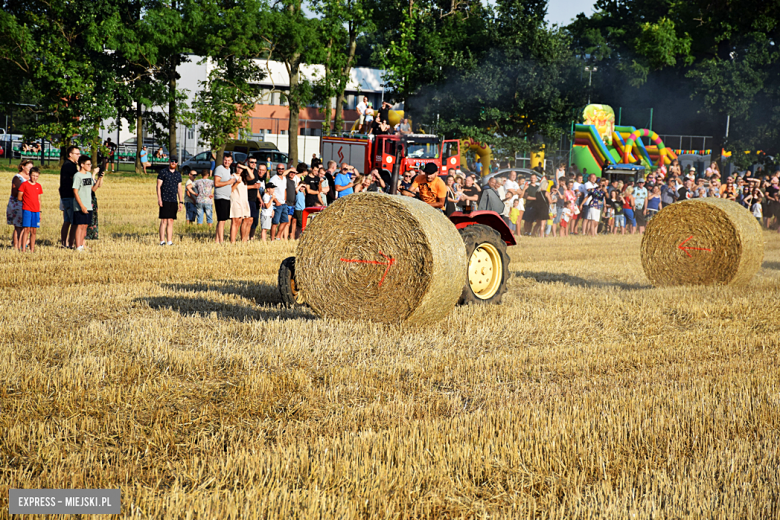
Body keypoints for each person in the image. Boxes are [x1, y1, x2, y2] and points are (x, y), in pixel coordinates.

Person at [72, 155, 101, 252]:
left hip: (89, 205)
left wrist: (99, 178)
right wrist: (81, 206)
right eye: (88, 164)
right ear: (82, 164)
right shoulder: (77, 176)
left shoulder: (88, 175)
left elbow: (93, 189)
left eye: (90, 164)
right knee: (79, 225)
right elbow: (75, 191)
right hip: (80, 206)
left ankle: (81, 244)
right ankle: (78, 245)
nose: (90, 166)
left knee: (85, 226)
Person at [156, 156, 183, 246]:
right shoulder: (163, 172)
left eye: (175, 161)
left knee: (171, 220)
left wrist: (181, 201)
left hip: (173, 200)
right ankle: (162, 241)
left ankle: (169, 241)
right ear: (169, 161)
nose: (173, 163)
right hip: (165, 199)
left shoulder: (178, 175)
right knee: (164, 221)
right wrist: (159, 199)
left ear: (177, 163)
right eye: (172, 161)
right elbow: (158, 186)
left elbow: (179, 188)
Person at [213, 154, 238, 243]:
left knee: (222, 220)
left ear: (231, 161)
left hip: (226, 197)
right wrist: (229, 182)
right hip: (220, 197)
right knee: (222, 220)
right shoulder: (219, 169)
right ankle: (221, 240)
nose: (226, 162)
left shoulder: (228, 170)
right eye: (225, 160)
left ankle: (217, 240)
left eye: (228, 160)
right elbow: (216, 183)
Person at [17, 166, 42, 252]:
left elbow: (39, 200)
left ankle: (32, 249)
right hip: (27, 209)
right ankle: (23, 248)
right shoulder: (24, 185)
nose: (35, 178)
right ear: (30, 175)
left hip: (36, 211)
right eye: (33, 175)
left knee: (33, 230)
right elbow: (19, 197)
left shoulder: (38, 186)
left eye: (37, 176)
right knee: (26, 229)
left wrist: (40, 212)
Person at [8, 160, 32, 251]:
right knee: (18, 226)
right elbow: (15, 192)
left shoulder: (30, 178)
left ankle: (22, 244)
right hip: (17, 204)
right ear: (23, 167)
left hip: (27, 203)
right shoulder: (17, 178)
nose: (30, 170)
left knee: (24, 226)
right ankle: (16, 246)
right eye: (29, 167)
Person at [59, 146, 80, 248]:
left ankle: (64, 243)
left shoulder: (67, 165)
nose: (78, 156)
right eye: (77, 154)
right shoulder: (70, 166)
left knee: (67, 221)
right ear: (70, 154)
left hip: (64, 196)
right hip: (70, 196)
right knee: (74, 221)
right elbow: (78, 179)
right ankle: (71, 243)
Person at [229, 163, 252, 243]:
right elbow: (230, 190)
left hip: (243, 201)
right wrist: (237, 183)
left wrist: (246, 167)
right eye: (238, 167)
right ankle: (232, 241)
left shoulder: (244, 178)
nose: (239, 169)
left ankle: (243, 240)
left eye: (241, 168)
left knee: (242, 220)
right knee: (235, 221)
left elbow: (252, 177)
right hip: (236, 200)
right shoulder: (232, 176)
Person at [86, 159, 106, 240]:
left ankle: (93, 234)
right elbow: (93, 188)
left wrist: (100, 177)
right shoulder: (87, 175)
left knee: (93, 217)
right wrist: (93, 174)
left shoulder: (89, 176)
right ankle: (87, 235)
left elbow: (99, 185)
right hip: (88, 198)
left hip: (93, 199)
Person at [269, 164, 289, 240]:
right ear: (276, 169)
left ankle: (278, 236)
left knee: (285, 221)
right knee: (275, 223)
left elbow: (284, 190)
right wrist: (276, 201)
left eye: (282, 169)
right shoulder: (273, 179)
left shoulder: (284, 178)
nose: (280, 170)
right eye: (279, 168)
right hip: (276, 204)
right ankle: (272, 239)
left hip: (283, 203)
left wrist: (285, 200)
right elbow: (270, 191)